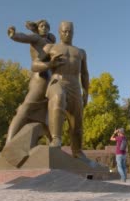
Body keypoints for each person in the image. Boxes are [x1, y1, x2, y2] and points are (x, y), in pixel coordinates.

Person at [32, 21, 89, 158]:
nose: (67, 34)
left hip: (75, 85)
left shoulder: (80, 52)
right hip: (58, 81)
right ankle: (56, 138)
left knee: (77, 121)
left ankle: (77, 151)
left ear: (73, 32)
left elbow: (85, 73)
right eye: (64, 31)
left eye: (70, 31)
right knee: (58, 97)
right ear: (59, 32)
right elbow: (35, 65)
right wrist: (49, 64)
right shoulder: (51, 47)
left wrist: (86, 91)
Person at [5, 20, 56, 143]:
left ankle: (54, 147)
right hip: (40, 78)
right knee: (26, 108)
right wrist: (14, 35)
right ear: (37, 28)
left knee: (47, 115)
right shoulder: (36, 38)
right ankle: (9, 143)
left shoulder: (50, 41)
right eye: (41, 26)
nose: (44, 28)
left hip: (49, 79)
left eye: (46, 26)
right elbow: (24, 37)